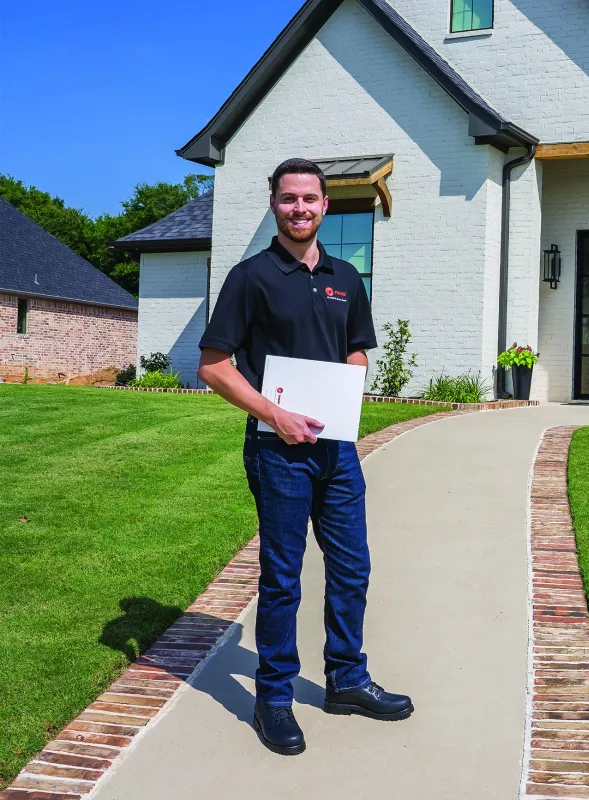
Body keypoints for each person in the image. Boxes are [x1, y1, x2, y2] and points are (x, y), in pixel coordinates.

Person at [198, 158, 413, 756]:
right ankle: (273, 697)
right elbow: (214, 365)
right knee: (283, 577)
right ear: (274, 204)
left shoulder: (347, 276)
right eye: (289, 198)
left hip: (337, 453)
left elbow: (357, 353)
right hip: (278, 453)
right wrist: (276, 414)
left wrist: (346, 396)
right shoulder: (251, 277)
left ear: (325, 205)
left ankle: (346, 678)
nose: (300, 208)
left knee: (352, 568)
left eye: (310, 199)